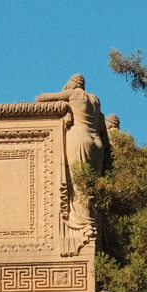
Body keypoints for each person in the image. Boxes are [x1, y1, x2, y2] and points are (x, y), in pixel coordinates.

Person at [34, 74, 110, 237]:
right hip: (97, 142)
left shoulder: (75, 94)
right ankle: (94, 221)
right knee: (92, 185)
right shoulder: (95, 99)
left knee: (79, 182)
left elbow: (42, 98)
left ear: (71, 84)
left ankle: (86, 225)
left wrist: (65, 101)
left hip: (80, 138)